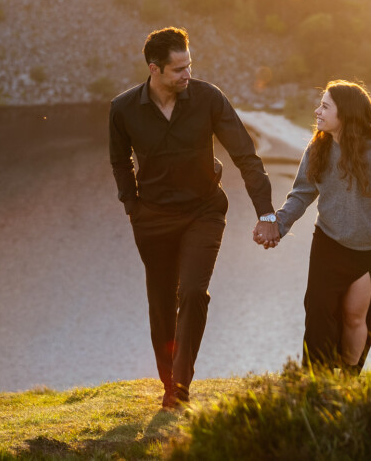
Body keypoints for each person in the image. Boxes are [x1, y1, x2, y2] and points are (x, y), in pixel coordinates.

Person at [108, 26, 280, 410]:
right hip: (151, 218)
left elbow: (245, 155)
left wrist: (266, 212)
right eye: (178, 69)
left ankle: (180, 386)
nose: (187, 74)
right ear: (155, 69)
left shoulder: (207, 98)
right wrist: (132, 206)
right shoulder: (122, 109)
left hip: (203, 210)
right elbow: (119, 161)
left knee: (192, 292)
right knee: (161, 302)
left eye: (189, 65)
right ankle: (168, 382)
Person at [258, 80, 371, 372]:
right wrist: (279, 225)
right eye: (320, 104)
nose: (317, 111)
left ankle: (347, 382)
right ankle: (315, 382)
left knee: (354, 317)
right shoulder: (318, 147)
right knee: (318, 313)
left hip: (368, 250)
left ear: (344, 114)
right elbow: (302, 192)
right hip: (328, 242)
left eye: (325, 106)